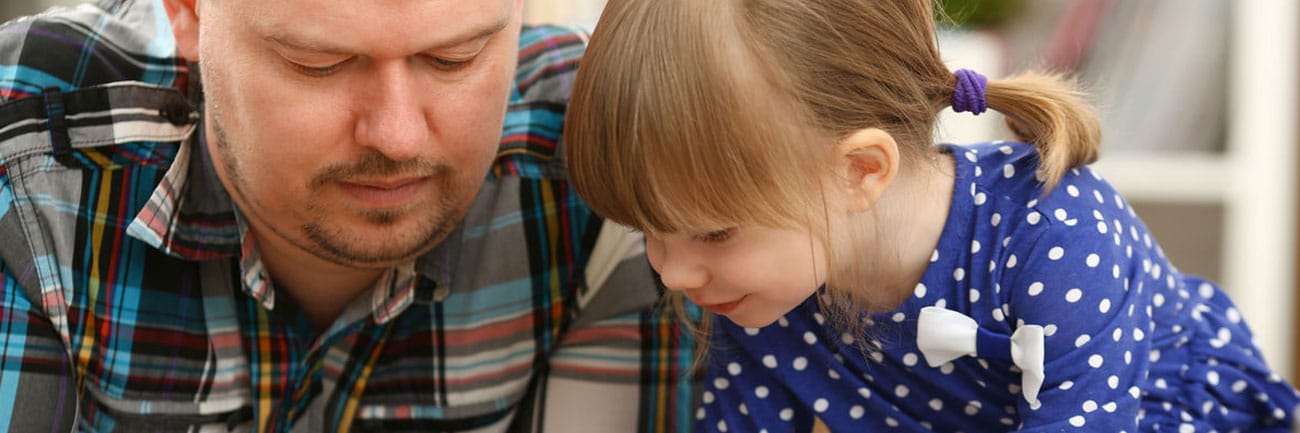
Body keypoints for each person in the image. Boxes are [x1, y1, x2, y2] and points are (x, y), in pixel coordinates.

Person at [563, 0, 1300, 432]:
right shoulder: (762, 291)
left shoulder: (1055, 230)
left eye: (712, 231)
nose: (673, 269)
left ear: (859, 171)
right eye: (649, 232)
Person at [0, 0, 699, 431]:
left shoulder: (622, 166)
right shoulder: (28, 158)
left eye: (454, 58)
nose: (396, 135)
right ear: (186, 10)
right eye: (319, 63)